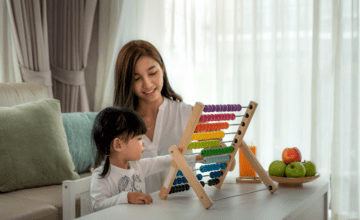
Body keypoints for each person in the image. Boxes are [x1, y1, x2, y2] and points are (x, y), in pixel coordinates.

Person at [113, 40, 235, 194]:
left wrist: (221, 153)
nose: (147, 83)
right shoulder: (119, 124)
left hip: (183, 209)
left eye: (152, 73)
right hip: (138, 211)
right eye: (136, 79)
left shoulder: (188, 114)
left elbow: (228, 164)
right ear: (126, 83)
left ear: (162, 69)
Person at [90, 107, 202, 211]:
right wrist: (126, 197)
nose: (144, 143)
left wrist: (195, 158)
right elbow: (97, 206)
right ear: (118, 144)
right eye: (139, 139)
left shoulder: (137, 166)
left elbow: (165, 161)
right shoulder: (101, 176)